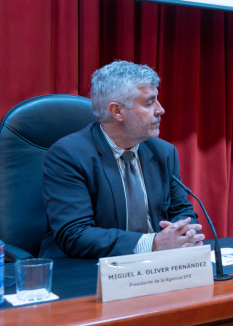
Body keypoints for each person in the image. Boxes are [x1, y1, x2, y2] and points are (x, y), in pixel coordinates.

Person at [41, 61, 204, 259]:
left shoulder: (163, 152)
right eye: (149, 102)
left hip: (155, 265)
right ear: (117, 111)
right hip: (91, 269)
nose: (160, 110)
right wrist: (152, 243)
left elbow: (182, 210)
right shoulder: (68, 155)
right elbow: (75, 233)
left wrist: (183, 234)